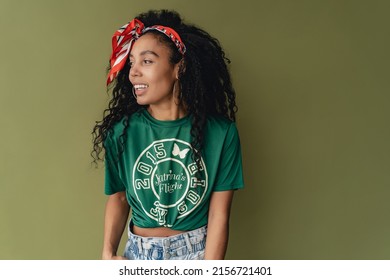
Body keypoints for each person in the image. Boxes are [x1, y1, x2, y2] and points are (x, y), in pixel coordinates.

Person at [92, 9, 244, 260]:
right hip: (137, 254)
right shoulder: (121, 132)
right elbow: (119, 198)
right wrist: (108, 254)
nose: (133, 72)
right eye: (131, 62)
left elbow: (219, 215)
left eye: (147, 61)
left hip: (196, 252)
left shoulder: (221, 133)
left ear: (179, 67)